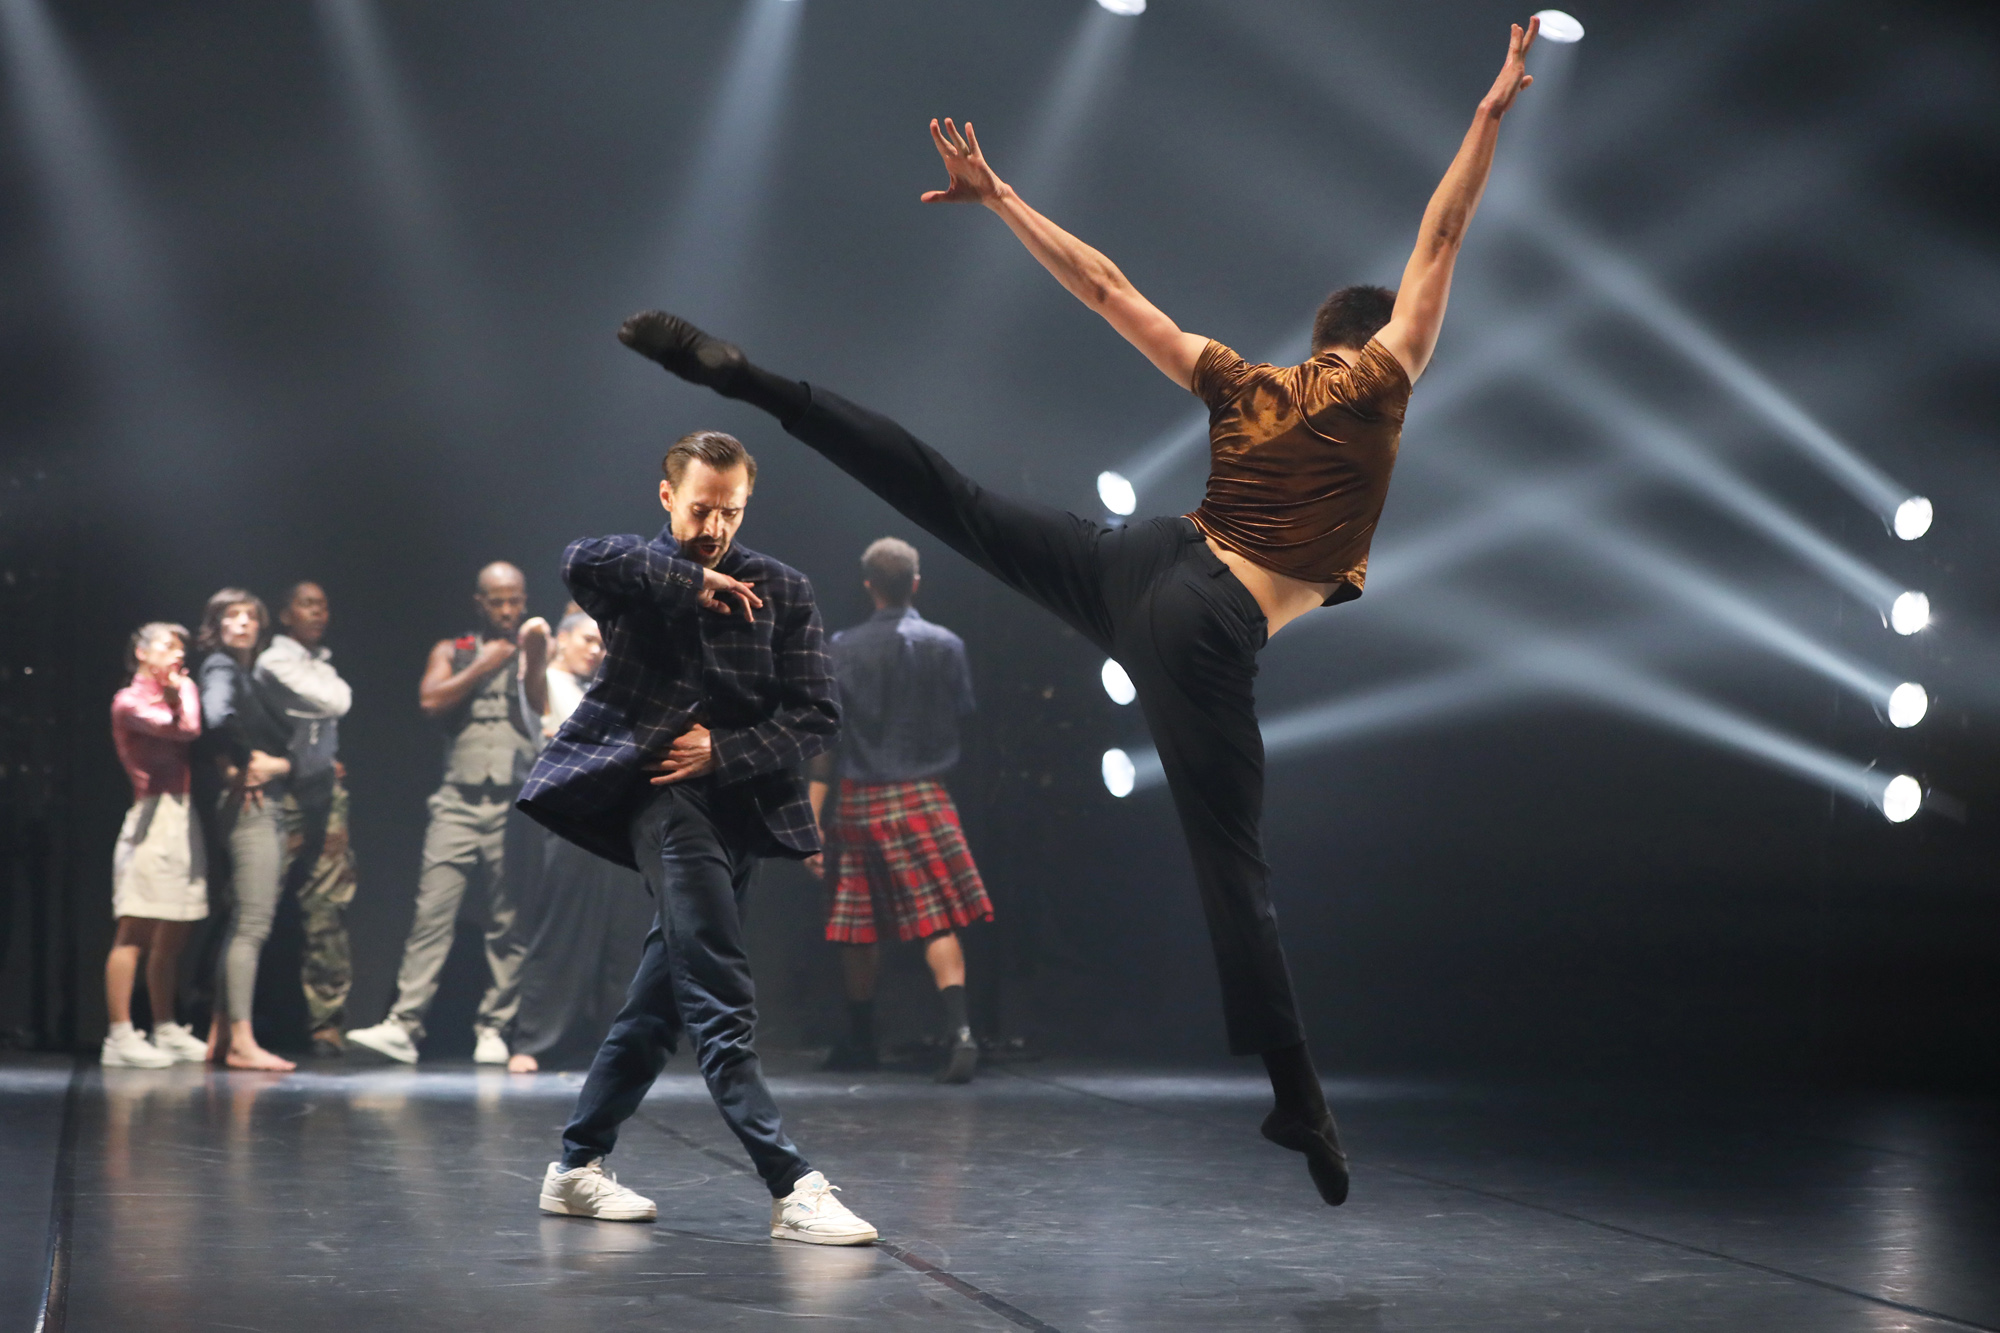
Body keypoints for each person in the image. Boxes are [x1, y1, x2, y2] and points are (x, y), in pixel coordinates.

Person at [614, 20, 1541, 1207]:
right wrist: (1489, 111)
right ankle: (1298, 1094)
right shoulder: (1382, 377)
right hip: (1204, 622)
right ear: (1376, 341)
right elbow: (1443, 232)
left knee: (950, 498)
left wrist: (1002, 196)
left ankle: (754, 384)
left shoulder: (1244, 383)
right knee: (1231, 859)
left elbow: (1107, 289)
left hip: (1140, 557)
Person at [516, 430, 875, 1245]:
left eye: (731, 512)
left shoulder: (783, 588)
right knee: (717, 988)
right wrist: (689, 579)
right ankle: (792, 1184)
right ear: (668, 497)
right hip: (661, 803)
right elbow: (580, 559)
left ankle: (575, 1164)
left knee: (661, 999)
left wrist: (725, 749)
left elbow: (818, 716)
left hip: (742, 810)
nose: (715, 527)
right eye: (702, 509)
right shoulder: (641, 576)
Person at [347, 564, 548, 1065]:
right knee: (431, 916)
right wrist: (483, 664)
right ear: (479, 603)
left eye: (514, 600)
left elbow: (545, 707)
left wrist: (529, 657)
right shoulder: (453, 650)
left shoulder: (533, 647)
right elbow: (430, 701)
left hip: (512, 802)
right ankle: (404, 1025)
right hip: (457, 801)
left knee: (508, 920)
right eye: (497, 601)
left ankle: (494, 1026)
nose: (507, 610)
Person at [810, 537, 991, 1083]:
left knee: (857, 925)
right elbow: (965, 720)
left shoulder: (840, 648)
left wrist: (811, 817)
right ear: (915, 583)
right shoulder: (947, 645)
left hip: (860, 799)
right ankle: (961, 1032)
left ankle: (862, 1040)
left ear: (869, 586)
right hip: (923, 795)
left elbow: (826, 741)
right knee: (936, 918)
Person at [505, 610, 652, 1074]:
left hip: (616, 821)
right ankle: (534, 1039)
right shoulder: (548, 682)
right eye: (588, 640)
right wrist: (535, 644)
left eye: (602, 644)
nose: (596, 650)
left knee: (623, 936)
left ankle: (617, 1042)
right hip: (570, 821)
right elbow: (532, 683)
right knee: (562, 931)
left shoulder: (603, 691)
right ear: (564, 640)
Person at [195, 588, 299, 1071]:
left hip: (259, 803)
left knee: (242, 920)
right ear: (216, 626)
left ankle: (221, 1035)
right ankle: (241, 1041)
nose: (242, 623)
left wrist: (276, 763)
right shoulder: (220, 667)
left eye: (249, 616)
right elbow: (216, 716)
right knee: (253, 923)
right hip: (251, 807)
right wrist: (240, 762)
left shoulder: (246, 675)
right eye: (231, 616)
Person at [255, 581, 358, 1057]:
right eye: (307, 604)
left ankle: (325, 1023)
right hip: (279, 796)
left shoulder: (321, 665)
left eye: (323, 605)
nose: (318, 613)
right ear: (285, 614)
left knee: (327, 906)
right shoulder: (274, 662)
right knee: (255, 905)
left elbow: (334, 702)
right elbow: (337, 702)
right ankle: (223, 1014)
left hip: (323, 795)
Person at [103, 622, 210, 1067]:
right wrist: (177, 694)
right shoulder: (128, 701)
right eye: (167, 646)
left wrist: (180, 692)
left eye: (180, 648)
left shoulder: (182, 688)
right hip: (151, 816)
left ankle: (165, 1027)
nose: (176, 654)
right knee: (137, 927)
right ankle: (120, 1034)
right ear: (142, 653)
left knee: (176, 924)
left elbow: (189, 722)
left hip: (182, 814)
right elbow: (182, 729)